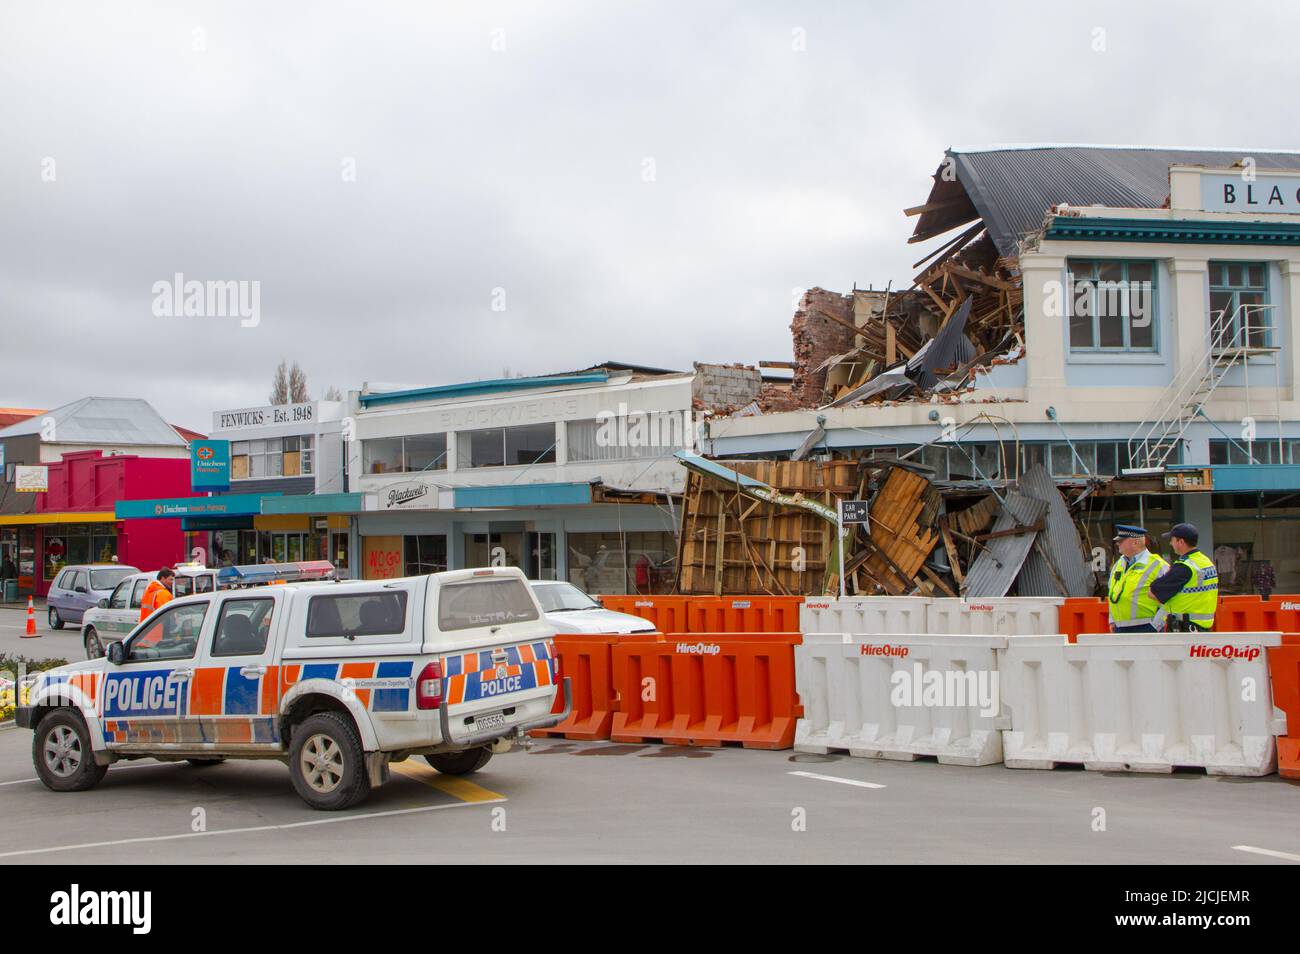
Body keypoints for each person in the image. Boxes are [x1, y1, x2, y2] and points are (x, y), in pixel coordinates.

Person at [1151, 522, 1219, 632]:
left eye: (1172, 540)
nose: (1170, 543)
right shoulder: (1206, 561)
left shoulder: (1184, 567)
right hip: (1203, 628)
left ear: (1181, 542)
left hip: (1185, 629)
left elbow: (1153, 593)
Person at [1107, 524, 1169, 633]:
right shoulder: (1119, 564)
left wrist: (1155, 625)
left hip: (1146, 627)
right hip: (1120, 627)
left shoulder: (1158, 565)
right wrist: (1112, 620)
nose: (1117, 543)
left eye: (1121, 541)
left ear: (1135, 542)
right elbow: (1112, 592)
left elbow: (1170, 598)